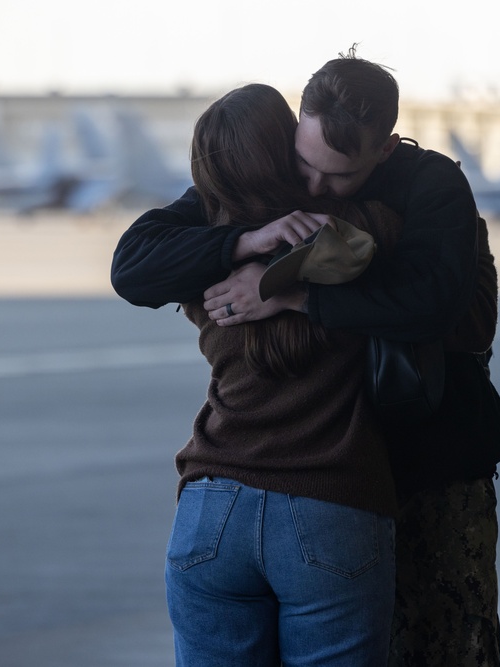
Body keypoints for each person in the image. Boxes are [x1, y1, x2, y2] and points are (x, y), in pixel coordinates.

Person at [111, 49, 500, 665]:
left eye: (339, 176)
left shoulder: (425, 189)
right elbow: (133, 264)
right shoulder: (262, 203)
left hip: (422, 473)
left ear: (384, 149)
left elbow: (441, 306)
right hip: (337, 496)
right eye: (303, 163)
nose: (314, 188)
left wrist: (291, 294)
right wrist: (246, 240)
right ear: (295, 127)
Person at [162, 83, 405, 666]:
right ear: (287, 150)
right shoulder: (366, 228)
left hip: (211, 507)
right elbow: (446, 306)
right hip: (330, 503)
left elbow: (136, 263)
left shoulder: (200, 257)